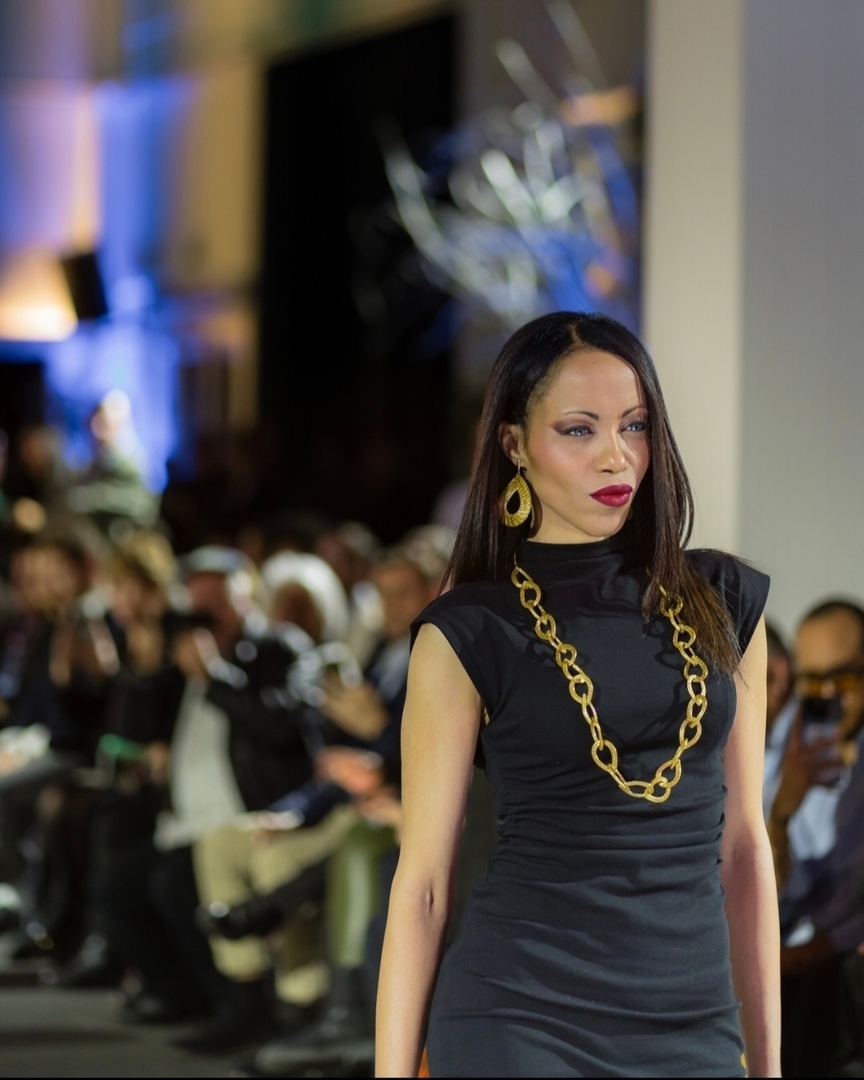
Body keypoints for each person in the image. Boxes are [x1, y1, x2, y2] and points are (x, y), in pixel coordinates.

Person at [376, 312, 780, 1077]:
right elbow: (423, 884)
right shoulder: (470, 631)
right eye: (578, 430)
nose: (615, 455)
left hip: (692, 1023)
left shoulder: (724, 600)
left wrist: (769, 1063)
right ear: (513, 445)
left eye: (635, 425)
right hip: (519, 1015)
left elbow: (744, 848)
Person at [766, 600, 864, 1077]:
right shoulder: (783, 747)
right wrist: (782, 814)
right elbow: (763, 886)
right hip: (785, 965)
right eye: (813, 681)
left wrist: (817, 950)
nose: (827, 695)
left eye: (843, 678)